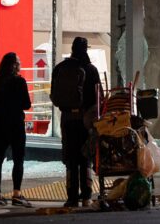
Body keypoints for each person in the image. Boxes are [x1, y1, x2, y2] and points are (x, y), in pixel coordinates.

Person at [53, 36, 100, 208]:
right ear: (85, 49)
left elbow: (54, 96)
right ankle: (87, 196)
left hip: (67, 118)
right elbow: (98, 97)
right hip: (86, 120)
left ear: (72, 48)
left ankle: (71, 198)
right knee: (85, 157)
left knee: (71, 158)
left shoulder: (60, 68)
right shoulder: (91, 70)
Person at [0, 52, 33, 208]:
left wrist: (0, 106)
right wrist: (15, 104)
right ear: (14, 65)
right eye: (18, 63)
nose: (19, 65)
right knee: (18, 159)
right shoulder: (19, 81)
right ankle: (16, 194)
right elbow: (26, 104)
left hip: (0, 123)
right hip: (16, 124)